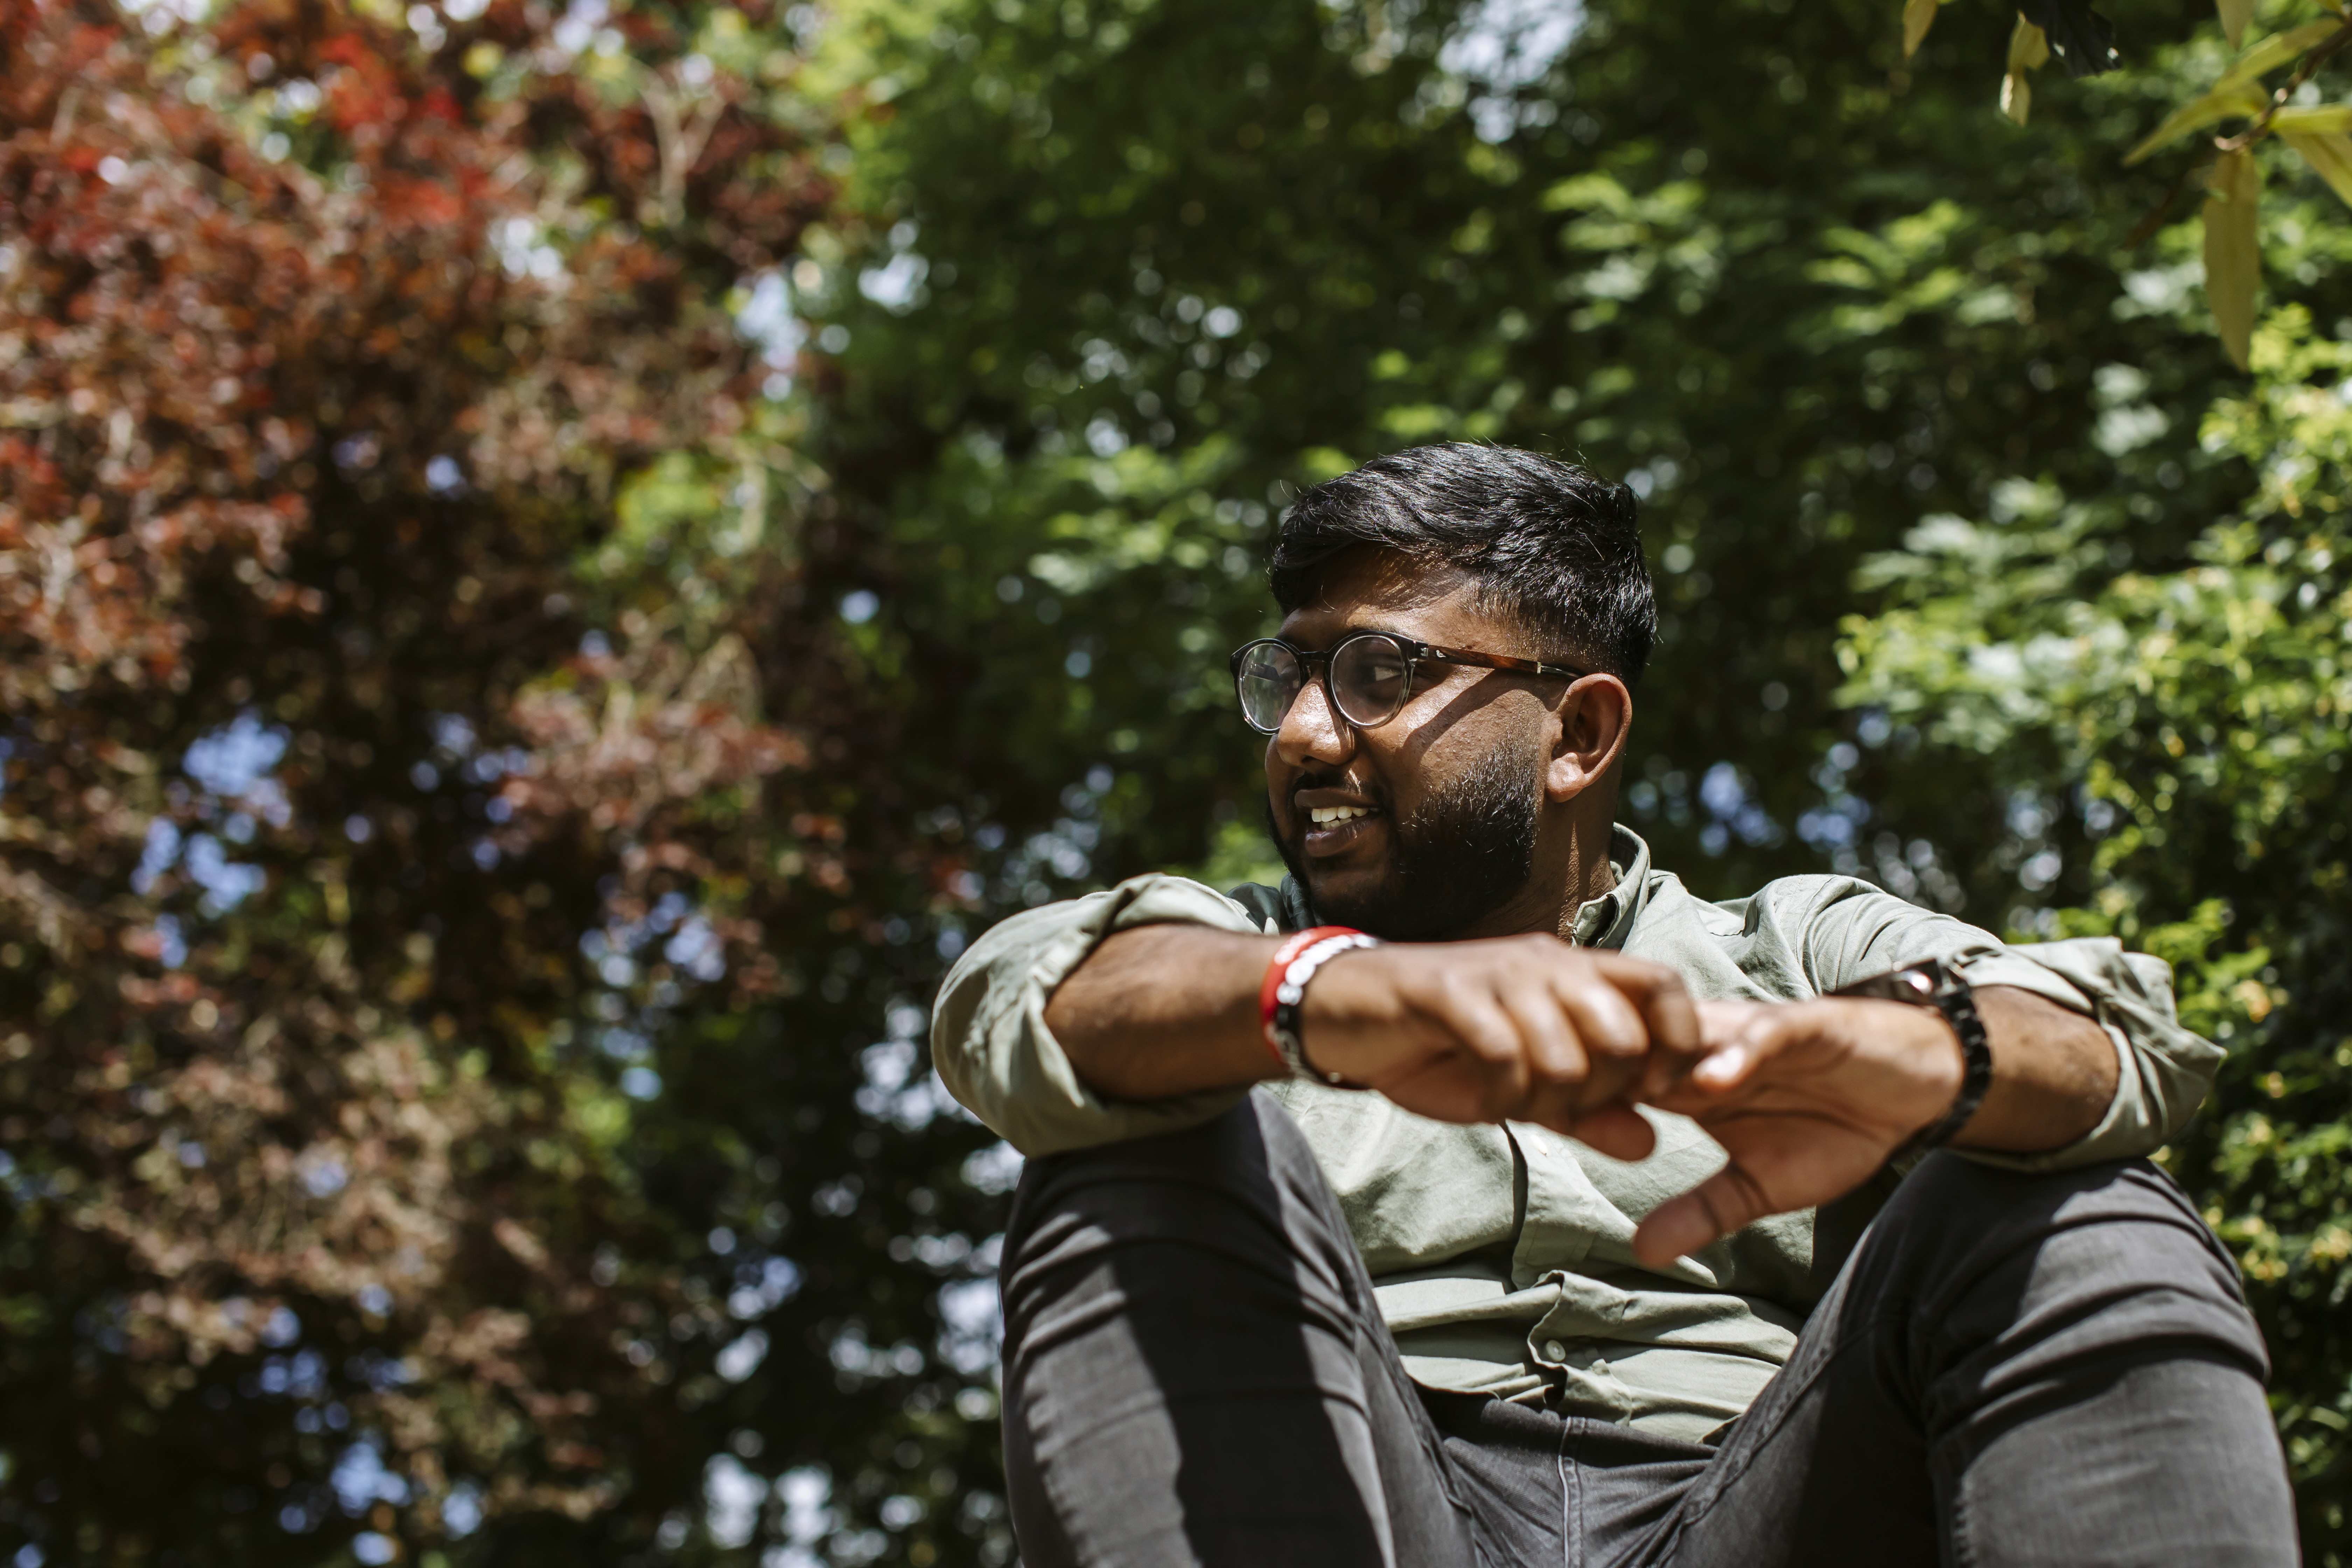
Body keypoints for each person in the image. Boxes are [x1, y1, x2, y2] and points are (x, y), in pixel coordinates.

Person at [931, 443, 2297, 1566]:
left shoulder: (1795, 942)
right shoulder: (1231, 964)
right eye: (1289, 677)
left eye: (1377, 673)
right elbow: (1040, 992)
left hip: (1768, 1502)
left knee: (2079, 1198)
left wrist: (1932, 1054)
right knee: (1126, 1164)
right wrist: (1328, 992)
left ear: (1578, 733)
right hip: (1357, 1511)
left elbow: (2127, 1041)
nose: (1299, 734)